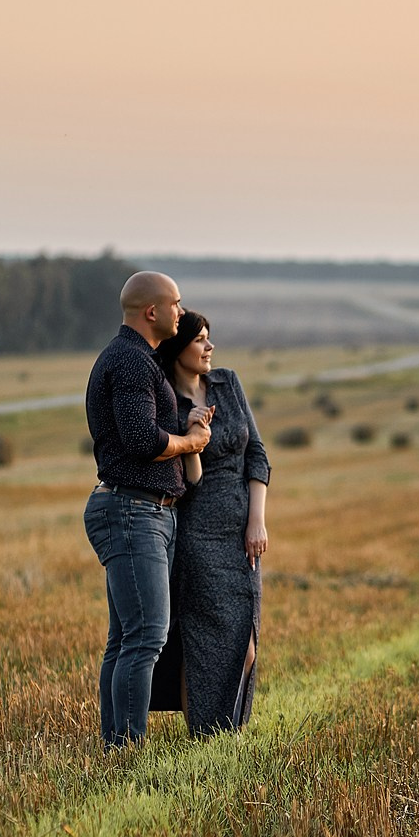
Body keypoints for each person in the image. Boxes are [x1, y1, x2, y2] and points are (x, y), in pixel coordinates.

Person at [82, 272, 213, 749]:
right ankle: (127, 748)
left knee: (126, 639)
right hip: (134, 511)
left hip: (139, 510)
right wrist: (192, 440)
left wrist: (187, 424)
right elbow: (141, 439)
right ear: (151, 312)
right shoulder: (133, 363)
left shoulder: (134, 360)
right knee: (146, 638)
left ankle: (117, 746)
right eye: (176, 304)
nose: (181, 312)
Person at [148, 311, 270, 735]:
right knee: (200, 645)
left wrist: (257, 520)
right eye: (200, 340)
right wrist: (192, 436)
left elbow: (257, 452)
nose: (209, 347)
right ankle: (205, 739)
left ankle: (226, 732)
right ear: (179, 349)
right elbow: (191, 481)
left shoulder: (228, 384)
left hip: (242, 536)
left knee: (245, 644)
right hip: (199, 535)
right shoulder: (169, 405)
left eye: (209, 337)